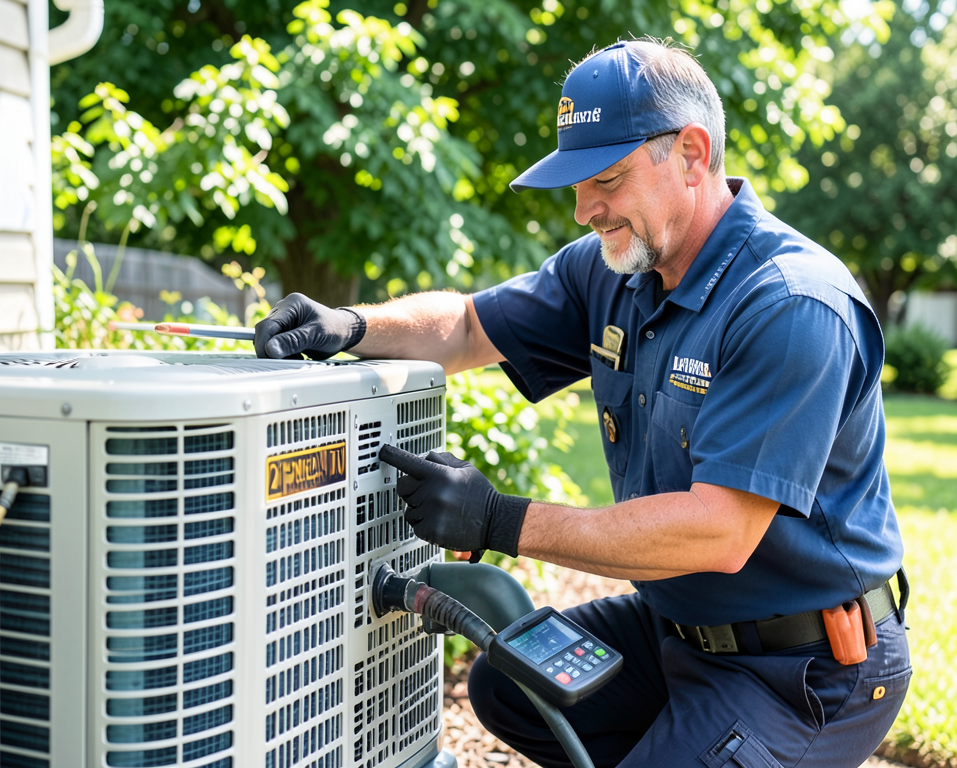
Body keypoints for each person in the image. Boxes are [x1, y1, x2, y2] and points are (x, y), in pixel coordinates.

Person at [254, 38, 911, 768]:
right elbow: (471, 327)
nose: (583, 210)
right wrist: (353, 325)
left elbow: (717, 533)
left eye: (607, 178)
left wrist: (498, 519)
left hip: (803, 668)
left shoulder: (790, 303)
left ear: (692, 155)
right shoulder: (616, 273)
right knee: (508, 687)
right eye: (576, 184)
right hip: (675, 629)